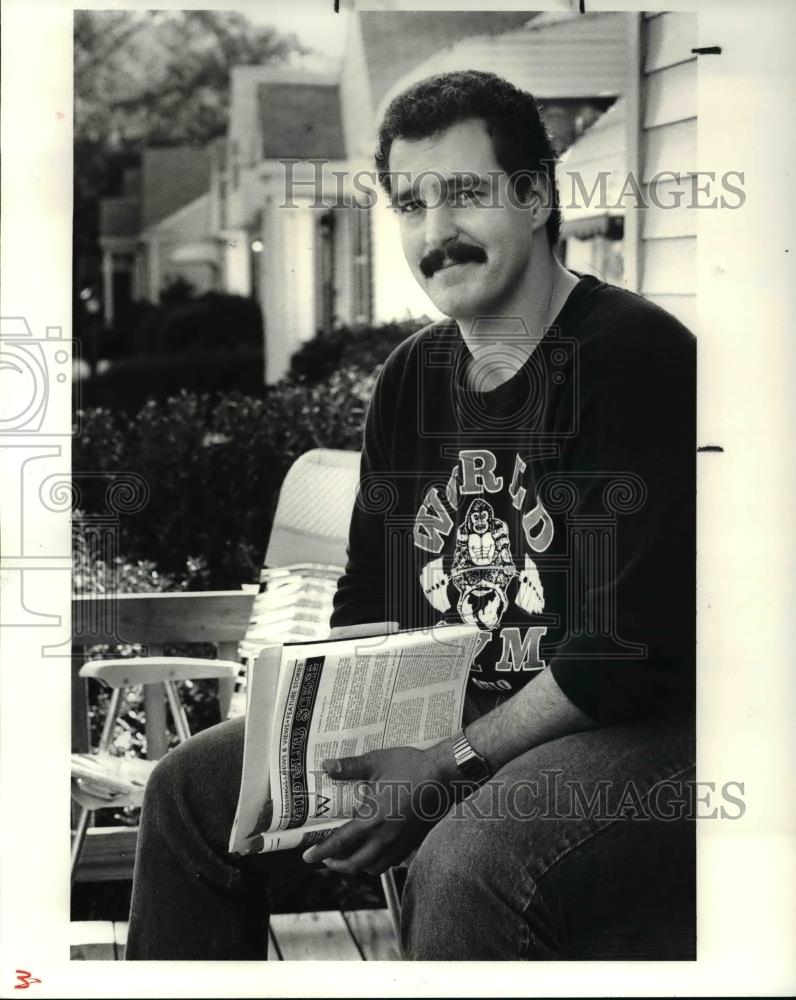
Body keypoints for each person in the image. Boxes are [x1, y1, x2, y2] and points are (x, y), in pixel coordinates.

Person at [126, 70, 695, 961]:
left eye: (465, 193)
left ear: (537, 194)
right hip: (469, 714)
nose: (437, 233)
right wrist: (329, 740)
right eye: (411, 203)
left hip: (644, 735)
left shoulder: (630, 357)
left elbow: (617, 655)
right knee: (191, 793)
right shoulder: (413, 378)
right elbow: (372, 599)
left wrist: (447, 766)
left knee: (471, 861)